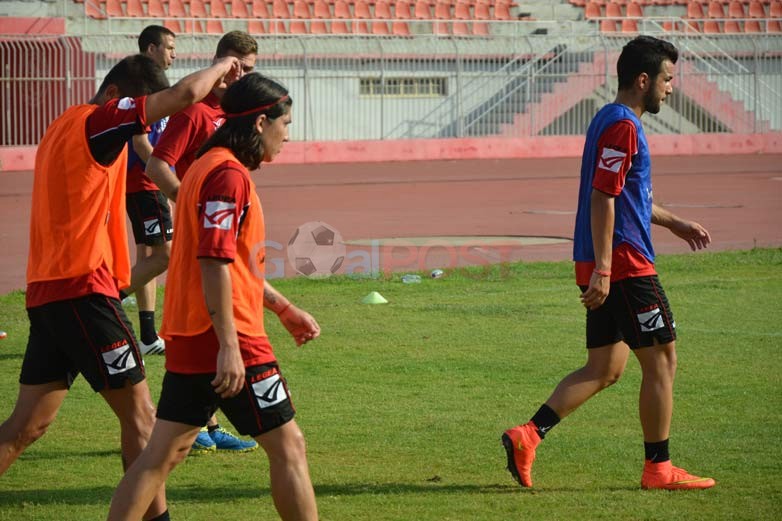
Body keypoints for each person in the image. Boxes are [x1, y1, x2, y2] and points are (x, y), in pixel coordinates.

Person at [0, 53, 242, 521]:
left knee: (28, 424)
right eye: (137, 109)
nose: (141, 122)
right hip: (84, 290)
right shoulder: (98, 121)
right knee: (143, 417)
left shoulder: (61, 125)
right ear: (114, 95)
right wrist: (223, 66)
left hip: (50, 291)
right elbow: (184, 95)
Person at [502, 36, 716, 491]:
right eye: (667, 79)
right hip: (623, 264)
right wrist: (604, 268)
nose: (671, 88)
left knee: (604, 368)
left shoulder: (607, 117)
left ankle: (527, 436)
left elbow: (627, 195)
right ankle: (658, 468)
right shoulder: (624, 126)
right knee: (663, 361)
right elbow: (604, 196)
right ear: (643, 80)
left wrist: (675, 223)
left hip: (604, 261)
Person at [107, 73, 320, 521]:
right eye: (285, 124)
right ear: (260, 123)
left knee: (160, 457)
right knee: (289, 447)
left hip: (191, 333)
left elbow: (231, 262)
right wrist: (228, 346)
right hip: (228, 335)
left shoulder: (205, 166)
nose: (288, 135)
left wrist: (282, 308)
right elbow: (214, 261)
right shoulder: (227, 175)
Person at [145, 29, 260, 454]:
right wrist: (190, 205)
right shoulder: (195, 112)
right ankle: (196, 426)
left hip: (218, 232)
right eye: (235, 67)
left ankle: (203, 426)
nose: (240, 76)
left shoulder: (235, 114)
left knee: (208, 325)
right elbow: (157, 165)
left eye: (249, 70)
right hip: (201, 235)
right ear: (219, 63)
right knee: (200, 324)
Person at [123, 25, 177, 355]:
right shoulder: (140, 89)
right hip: (145, 182)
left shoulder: (154, 87)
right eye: (169, 47)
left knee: (147, 256)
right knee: (164, 256)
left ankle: (146, 336)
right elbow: (140, 142)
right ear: (151, 49)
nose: (174, 54)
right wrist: (166, 178)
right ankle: (107, 303)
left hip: (142, 182)